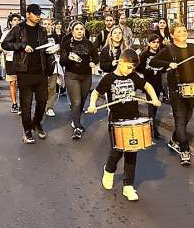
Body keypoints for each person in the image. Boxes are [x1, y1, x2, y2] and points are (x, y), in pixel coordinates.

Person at [87, 49, 162, 201]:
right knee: (117, 152)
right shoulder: (109, 78)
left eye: (132, 68)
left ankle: (128, 186)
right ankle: (109, 170)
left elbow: (147, 86)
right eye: (128, 67)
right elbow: (95, 93)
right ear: (120, 62)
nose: (130, 71)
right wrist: (92, 105)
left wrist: (154, 98)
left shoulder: (133, 76)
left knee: (131, 153)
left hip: (133, 120)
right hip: (116, 120)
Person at [151, 23, 194, 166]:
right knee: (180, 119)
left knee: (186, 118)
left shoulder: (192, 47)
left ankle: (174, 140)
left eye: (184, 31)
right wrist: (168, 64)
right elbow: (154, 61)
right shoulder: (169, 49)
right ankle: (185, 150)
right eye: (179, 31)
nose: (183, 33)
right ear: (172, 35)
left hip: (191, 88)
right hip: (176, 89)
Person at [2, 4, 57, 144]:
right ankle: (27, 130)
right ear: (28, 14)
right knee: (26, 104)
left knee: (42, 101)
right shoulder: (18, 28)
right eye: (35, 14)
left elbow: (45, 49)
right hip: (24, 72)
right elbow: (5, 44)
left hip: (41, 72)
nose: (38, 16)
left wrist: (51, 51)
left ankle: (36, 122)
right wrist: (21, 46)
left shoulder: (42, 30)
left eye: (39, 14)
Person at [60, 21, 99, 139]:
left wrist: (93, 63)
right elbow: (62, 62)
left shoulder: (89, 44)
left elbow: (96, 57)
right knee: (76, 101)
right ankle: (77, 127)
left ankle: (75, 118)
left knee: (82, 101)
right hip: (72, 75)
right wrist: (70, 58)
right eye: (76, 29)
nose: (79, 31)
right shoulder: (67, 44)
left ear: (84, 31)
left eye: (81, 29)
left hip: (86, 76)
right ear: (72, 31)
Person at [137, 33, 166, 139]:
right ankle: (152, 128)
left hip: (158, 82)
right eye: (153, 42)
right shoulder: (144, 55)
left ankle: (151, 124)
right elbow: (138, 67)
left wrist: (162, 69)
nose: (156, 44)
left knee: (155, 105)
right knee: (151, 105)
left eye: (158, 42)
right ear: (149, 43)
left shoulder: (161, 53)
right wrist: (149, 71)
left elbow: (164, 65)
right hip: (148, 82)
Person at [0, 14, 22, 114]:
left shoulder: (22, 32)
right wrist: (5, 50)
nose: (17, 22)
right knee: (13, 83)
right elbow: (0, 47)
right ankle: (14, 103)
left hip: (21, 60)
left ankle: (22, 104)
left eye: (18, 20)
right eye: (15, 20)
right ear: (10, 22)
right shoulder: (6, 33)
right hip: (10, 60)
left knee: (22, 83)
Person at [43, 19, 62, 117]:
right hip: (41, 64)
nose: (47, 26)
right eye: (45, 24)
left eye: (49, 24)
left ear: (52, 26)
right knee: (41, 87)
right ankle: (42, 105)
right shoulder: (39, 36)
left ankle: (49, 107)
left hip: (53, 63)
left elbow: (61, 48)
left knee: (52, 87)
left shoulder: (55, 36)